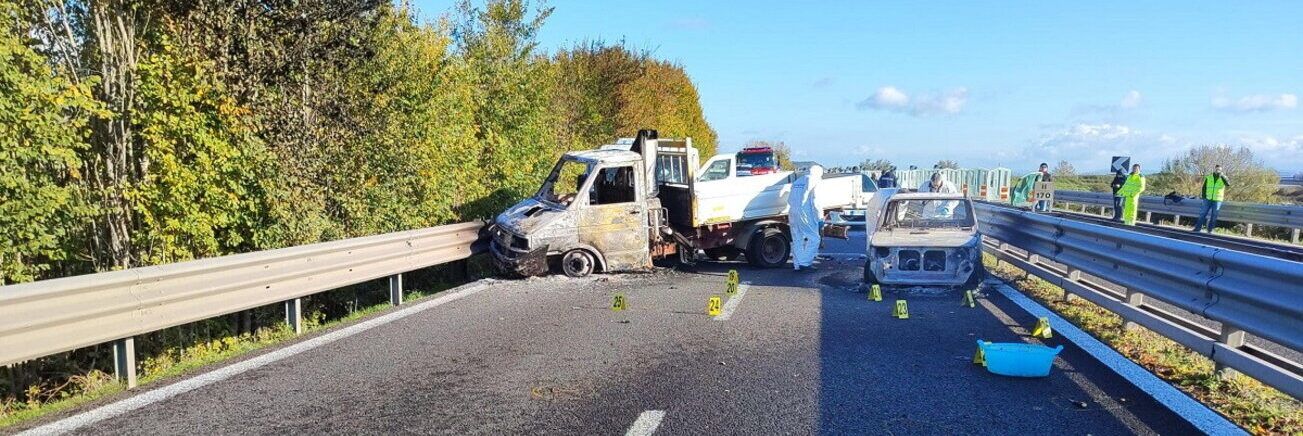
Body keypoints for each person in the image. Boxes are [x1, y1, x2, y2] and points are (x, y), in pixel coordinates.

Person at [788, 165, 824, 271]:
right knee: (814, 238)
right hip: (806, 212)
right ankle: (805, 262)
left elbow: (790, 199)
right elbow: (816, 201)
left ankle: (797, 264)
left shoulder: (798, 181)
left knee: (797, 238)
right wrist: (820, 218)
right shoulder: (815, 181)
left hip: (793, 211)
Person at [1192, 165, 1231, 233]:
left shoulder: (1223, 178)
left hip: (1217, 199)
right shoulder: (1209, 177)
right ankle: (1197, 228)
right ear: (1214, 169)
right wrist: (1204, 197)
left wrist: (1222, 176)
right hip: (1208, 199)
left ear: (1221, 170)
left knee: (1214, 215)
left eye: (1219, 170)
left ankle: (1210, 230)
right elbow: (1204, 187)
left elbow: (1228, 184)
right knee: (1203, 213)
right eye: (1217, 169)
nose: (1218, 171)